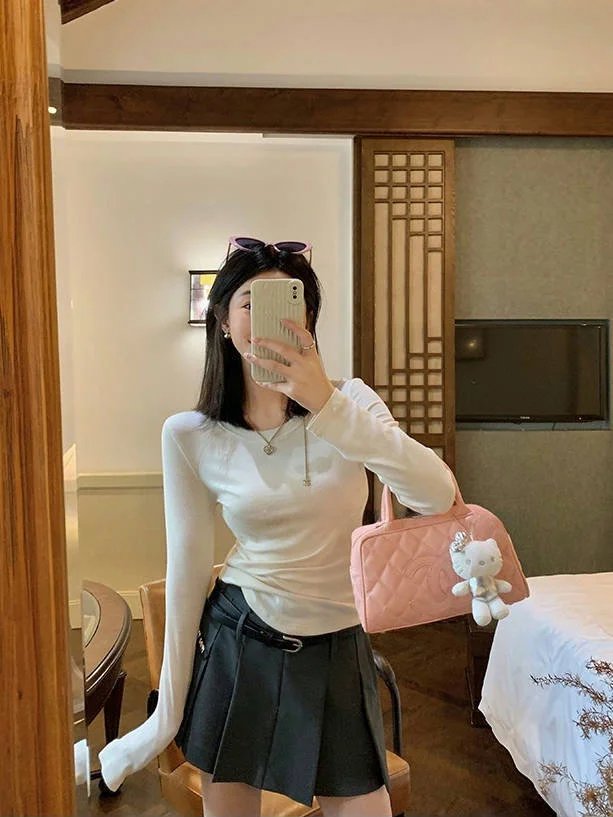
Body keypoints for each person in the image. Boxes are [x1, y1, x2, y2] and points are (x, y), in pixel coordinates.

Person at [99, 237, 455, 817]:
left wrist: (324, 403)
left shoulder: (352, 402)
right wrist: (164, 716)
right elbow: (187, 570)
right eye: (251, 303)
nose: (274, 318)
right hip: (241, 640)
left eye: (292, 303)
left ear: (309, 321)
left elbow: (436, 495)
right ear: (223, 322)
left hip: (338, 643)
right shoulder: (190, 434)